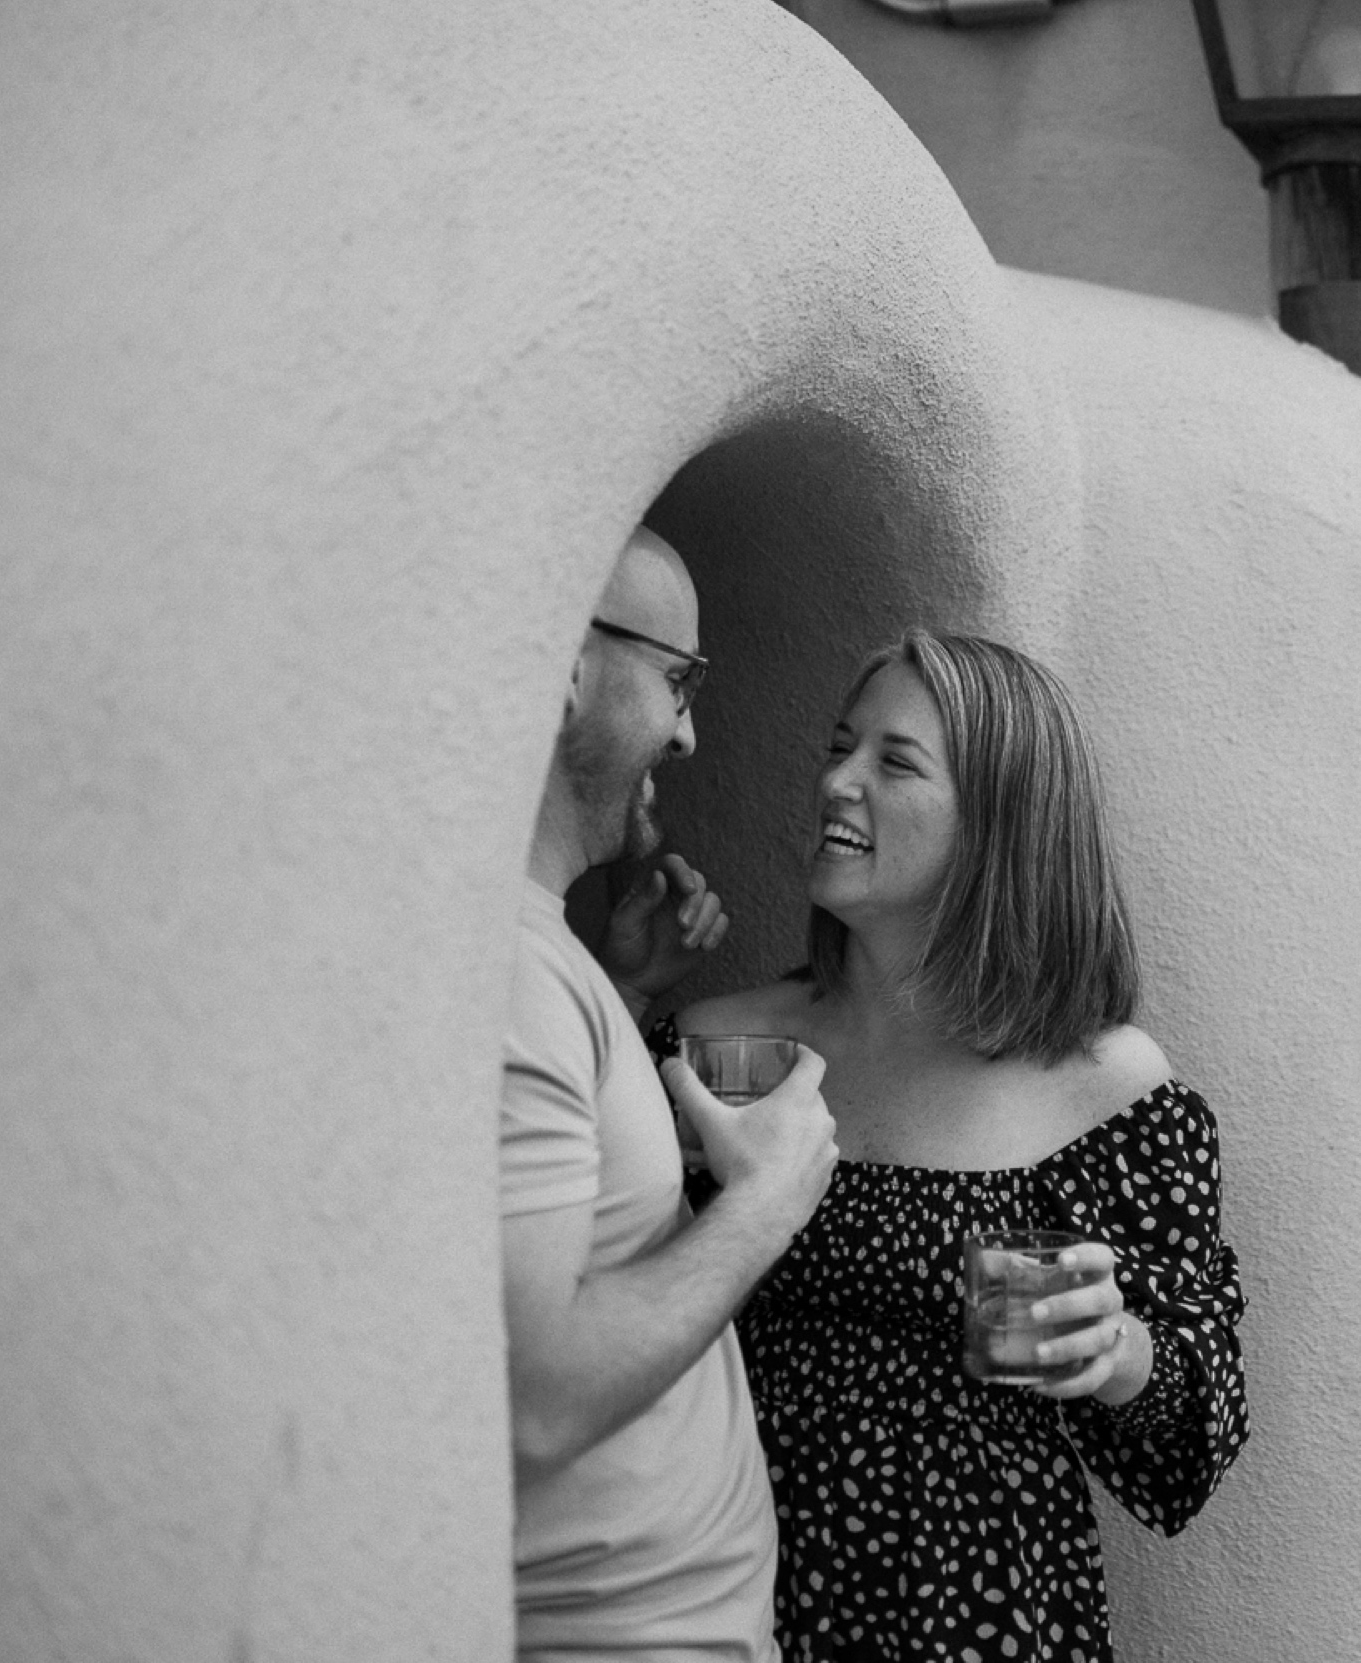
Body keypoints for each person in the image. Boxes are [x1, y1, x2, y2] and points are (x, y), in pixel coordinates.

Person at [677, 628, 1248, 1663]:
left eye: (893, 763)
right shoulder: (725, 1046)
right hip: (726, 1597)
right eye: (839, 746)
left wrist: (1112, 1350)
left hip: (983, 1616)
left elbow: (1190, 1454)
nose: (836, 780)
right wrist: (625, 994)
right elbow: (614, 1286)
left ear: (998, 825)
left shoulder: (1103, 1090)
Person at [499, 525, 841, 1662]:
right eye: (678, 679)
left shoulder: (543, 963)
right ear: (567, 665)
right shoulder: (507, 969)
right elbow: (536, 1398)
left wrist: (621, 988)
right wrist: (768, 1201)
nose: (691, 732)